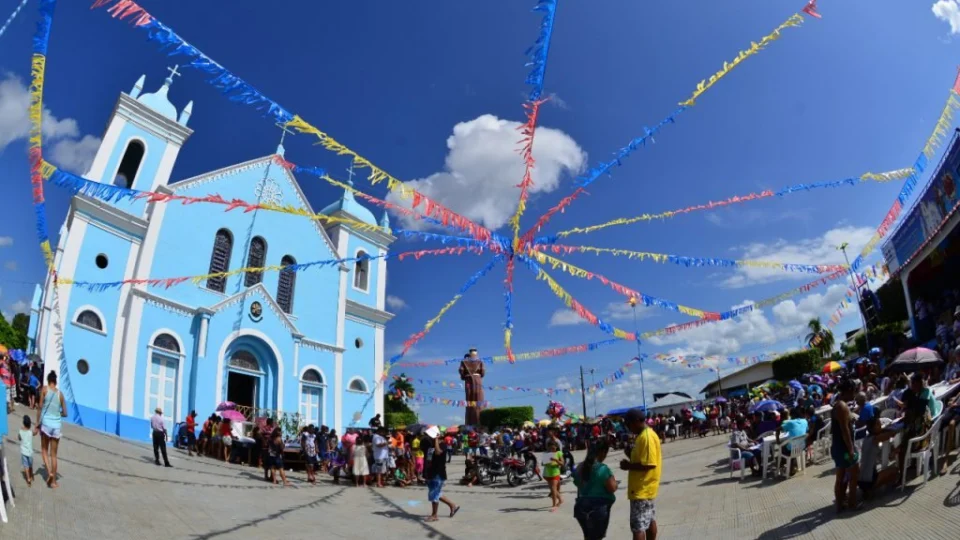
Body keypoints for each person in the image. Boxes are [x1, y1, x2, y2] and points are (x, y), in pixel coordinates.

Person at [620, 408, 661, 540]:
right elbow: (641, 459)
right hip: (645, 488)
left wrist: (628, 466)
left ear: (637, 421)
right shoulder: (642, 436)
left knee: (638, 527)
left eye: (629, 424)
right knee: (649, 521)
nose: (628, 428)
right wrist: (629, 453)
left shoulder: (646, 437)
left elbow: (649, 464)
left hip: (642, 489)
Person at [573, 439, 617, 540]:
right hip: (598, 509)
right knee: (596, 537)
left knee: (588, 536)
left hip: (581, 508)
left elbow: (577, 483)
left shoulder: (580, 467)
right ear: (602, 452)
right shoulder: (603, 468)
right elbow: (612, 488)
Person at [831, 378, 860, 512]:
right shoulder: (842, 406)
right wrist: (851, 449)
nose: (855, 394)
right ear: (849, 390)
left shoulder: (839, 404)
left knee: (841, 477)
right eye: (854, 391)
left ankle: (839, 504)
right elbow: (844, 430)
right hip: (843, 447)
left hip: (838, 447)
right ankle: (852, 503)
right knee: (853, 475)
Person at [35, 371, 67, 488]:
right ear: (56, 381)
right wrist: (57, 413)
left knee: (44, 449)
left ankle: (49, 473)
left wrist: (37, 423)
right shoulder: (60, 394)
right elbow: (65, 413)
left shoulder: (44, 390)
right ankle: (53, 482)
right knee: (54, 455)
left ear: (48, 380)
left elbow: (39, 407)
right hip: (57, 426)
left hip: (46, 425)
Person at [423, 433, 459, 522]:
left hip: (438, 473)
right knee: (435, 493)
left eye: (430, 436)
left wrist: (436, 440)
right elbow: (428, 459)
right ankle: (452, 505)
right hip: (430, 473)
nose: (429, 437)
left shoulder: (442, 445)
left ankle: (434, 515)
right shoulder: (430, 445)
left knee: (434, 494)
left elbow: (438, 452)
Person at [775, 408, 808, 476]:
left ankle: (783, 468)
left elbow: (777, 430)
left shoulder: (790, 422)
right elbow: (805, 431)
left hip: (792, 448)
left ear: (792, 415)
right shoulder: (805, 421)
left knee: (781, 450)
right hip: (802, 447)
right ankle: (791, 468)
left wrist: (778, 441)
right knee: (790, 446)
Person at [543, 439, 564, 511]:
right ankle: (560, 500)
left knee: (553, 489)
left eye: (553, 447)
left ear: (556, 447)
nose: (552, 449)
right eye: (550, 448)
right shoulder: (546, 454)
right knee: (553, 490)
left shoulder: (559, 453)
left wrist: (556, 460)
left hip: (555, 473)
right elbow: (543, 463)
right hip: (547, 473)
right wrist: (545, 462)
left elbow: (562, 463)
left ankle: (554, 505)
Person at [19, 415, 35, 487]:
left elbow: (19, 438)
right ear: (30, 424)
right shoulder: (30, 432)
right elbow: (35, 433)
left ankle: (28, 479)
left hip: (23, 452)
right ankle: (31, 476)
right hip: (30, 453)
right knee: (30, 465)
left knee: (26, 466)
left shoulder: (20, 431)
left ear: (23, 423)